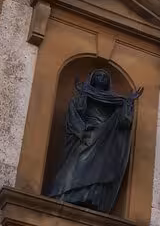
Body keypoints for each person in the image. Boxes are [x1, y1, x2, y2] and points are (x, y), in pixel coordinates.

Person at [46, 68, 142, 213]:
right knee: (74, 165)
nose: (102, 78)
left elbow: (124, 122)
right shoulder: (84, 93)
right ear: (92, 78)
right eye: (99, 75)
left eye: (105, 76)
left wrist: (128, 103)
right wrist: (82, 128)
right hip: (86, 134)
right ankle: (66, 193)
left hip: (105, 138)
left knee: (100, 169)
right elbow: (76, 110)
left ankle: (90, 197)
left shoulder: (116, 101)